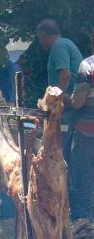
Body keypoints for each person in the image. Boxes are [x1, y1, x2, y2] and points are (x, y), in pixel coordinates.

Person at [70, 46, 94, 220]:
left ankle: (84, 225)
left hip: (87, 133)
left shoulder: (87, 65)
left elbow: (78, 102)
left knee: (83, 181)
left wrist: (64, 98)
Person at [37, 19, 82, 94]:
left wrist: (57, 97)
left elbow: (65, 74)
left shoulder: (58, 46)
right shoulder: (65, 42)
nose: (39, 41)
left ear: (43, 35)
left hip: (69, 99)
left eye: (39, 37)